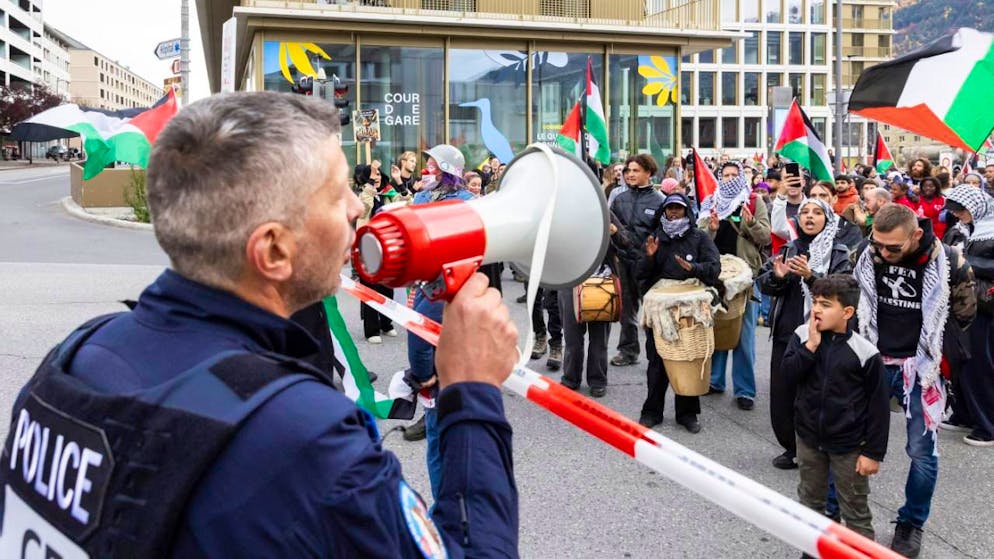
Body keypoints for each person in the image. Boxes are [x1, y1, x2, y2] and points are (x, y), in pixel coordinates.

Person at [0, 92, 520, 557]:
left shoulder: (78, 355)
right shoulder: (303, 436)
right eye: (336, 194)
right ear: (273, 249)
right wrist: (469, 389)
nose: (357, 208)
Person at [853, 204, 976, 557]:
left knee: (922, 453)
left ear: (917, 234)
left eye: (894, 247)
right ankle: (841, 514)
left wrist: (931, 345)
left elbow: (964, 314)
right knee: (847, 440)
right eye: (879, 245)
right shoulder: (867, 253)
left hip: (922, 369)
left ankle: (911, 524)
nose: (885, 253)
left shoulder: (951, 261)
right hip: (872, 359)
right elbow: (850, 293)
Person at [782, 275, 889, 544]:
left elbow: (878, 409)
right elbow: (786, 377)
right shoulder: (802, 336)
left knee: (855, 511)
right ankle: (811, 549)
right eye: (815, 302)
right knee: (810, 504)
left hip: (849, 445)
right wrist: (811, 346)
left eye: (826, 304)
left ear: (847, 312)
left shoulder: (865, 352)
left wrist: (872, 453)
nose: (816, 309)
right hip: (808, 439)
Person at [758, 198, 851, 469]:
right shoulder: (788, 249)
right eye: (804, 213)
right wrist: (778, 277)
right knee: (784, 393)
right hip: (788, 334)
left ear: (828, 218)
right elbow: (764, 284)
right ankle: (791, 447)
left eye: (817, 212)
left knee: (818, 394)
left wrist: (811, 276)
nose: (810, 217)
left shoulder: (838, 251)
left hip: (823, 336)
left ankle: (820, 449)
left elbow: (845, 291)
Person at [404, 144, 476, 485]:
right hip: (426, 287)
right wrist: (411, 289)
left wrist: (422, 378)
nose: (426, 169)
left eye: (431, 164)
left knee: (444, 436)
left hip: (450, 296)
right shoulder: (420, 200)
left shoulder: (467, 203)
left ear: (446, 168)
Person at [637, 193, 720, 431]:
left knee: (687, 358)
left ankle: (687, 413)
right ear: (664, 211)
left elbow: (714, 269)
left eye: (679, 209)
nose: (674, 213)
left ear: (687, 211)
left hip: (689, 308)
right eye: (670, 209)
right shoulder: (655, 238)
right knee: (657, 360)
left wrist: (693, 268)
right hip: (661, 308)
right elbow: (640, 274)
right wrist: (649, 258)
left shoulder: (699, 238)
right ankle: (652, 411)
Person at [700, 161, 771, 410]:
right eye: (725, 175)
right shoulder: (712, 201)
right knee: (717, 328)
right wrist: (711, 229)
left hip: (744, 277)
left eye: (734, 175)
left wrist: (748, 223)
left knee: (744, 333)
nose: (730, 179)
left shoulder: (753, 201)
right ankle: (715, 381)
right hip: (717, 276)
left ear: (742, 177)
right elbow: (699, 238)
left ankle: (745, 390)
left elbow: (764, 236)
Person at [558, 206, 631, 398]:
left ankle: (597, 380)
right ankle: (570, 378)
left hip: (601, 281)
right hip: (570, 281)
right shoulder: (562, 212)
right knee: (572, 337)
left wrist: (614, 233)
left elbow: (626, 242)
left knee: (599, 338)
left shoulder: (604, 210)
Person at [942, 186, 994, 446]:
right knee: (958, 360)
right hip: (957, 303)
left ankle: (988, 424)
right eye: (955, 210)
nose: (959, 215)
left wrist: (967, 261)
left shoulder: (991, 229)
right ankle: (962, 413)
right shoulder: (958, 230)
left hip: (985, 306)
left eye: (962, 210)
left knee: (980, 366)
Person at [609, 154, 665, 367]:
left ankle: (658, 352)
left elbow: (663, 234)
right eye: (628, 171)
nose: (630, 175)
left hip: (648, 263)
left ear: (648, 173)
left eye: (635, 170)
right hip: (623, 260)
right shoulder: (619, 199)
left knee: (652, 309)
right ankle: (628, 350)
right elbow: (611, 228)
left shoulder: (659, 200)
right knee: (627, 309)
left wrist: (653, 258)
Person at [807, 181, 863, 250]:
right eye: (813, 196)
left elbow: (850, 257)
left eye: (823, 196)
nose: (817, 199)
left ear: (835, 199)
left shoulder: (850, 229)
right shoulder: (801, 228)